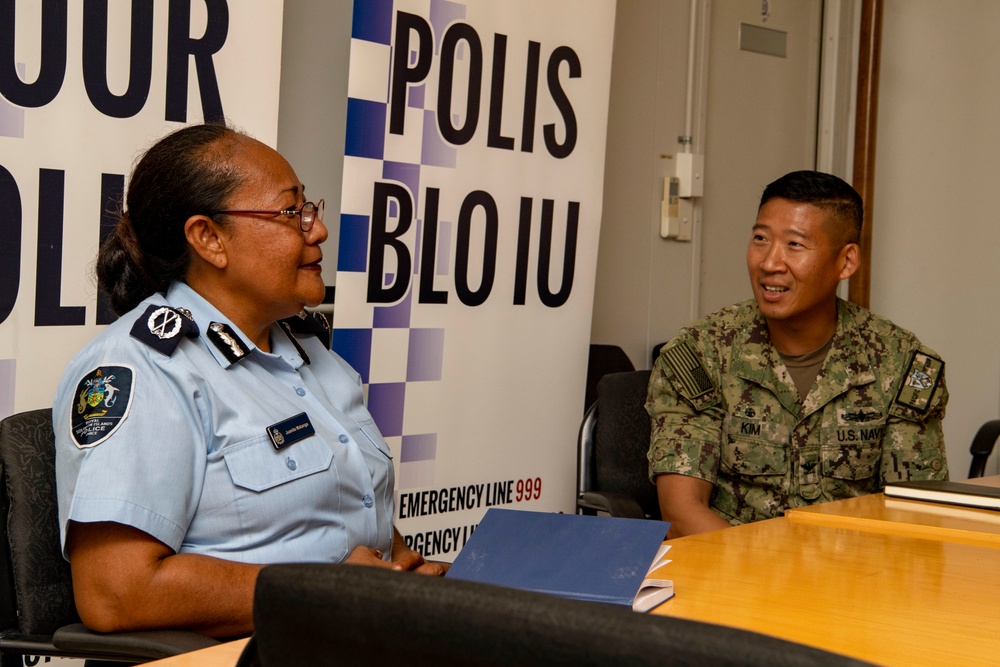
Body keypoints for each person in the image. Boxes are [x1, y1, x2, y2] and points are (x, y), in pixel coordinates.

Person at [53, 122, 447, 639]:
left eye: (311, 209)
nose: (318, 229)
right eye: (291, 212)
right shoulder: (145, 367)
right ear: (209, 238)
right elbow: (115, 592)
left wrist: (401, 572)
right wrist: (324, 594)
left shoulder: (312, 355)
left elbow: (336, 513)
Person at [646, 170, 948, 539]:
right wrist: (769, 584)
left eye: (794, 245)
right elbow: (681, 512)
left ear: (846, 262)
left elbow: (915, 513)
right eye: (760, 239)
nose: (770, 262)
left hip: (854, 579)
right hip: (731, 576)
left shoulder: (900, 362)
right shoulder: (701, 352)